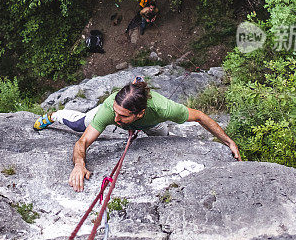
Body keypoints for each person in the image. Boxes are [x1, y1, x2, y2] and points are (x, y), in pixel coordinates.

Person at [33, 77, 242, 192]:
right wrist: (79, 164)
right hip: (118, 116)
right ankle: (55, 116)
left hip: (150, 124)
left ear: (140, 113)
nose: (116, 119)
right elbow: (82, 142)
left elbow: (200, 116)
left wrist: (228, 141)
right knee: (81, 124)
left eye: (122, 116)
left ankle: (140, 120)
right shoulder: (110, 111)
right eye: (116, 112)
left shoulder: (163, 109)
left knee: (164, 140)